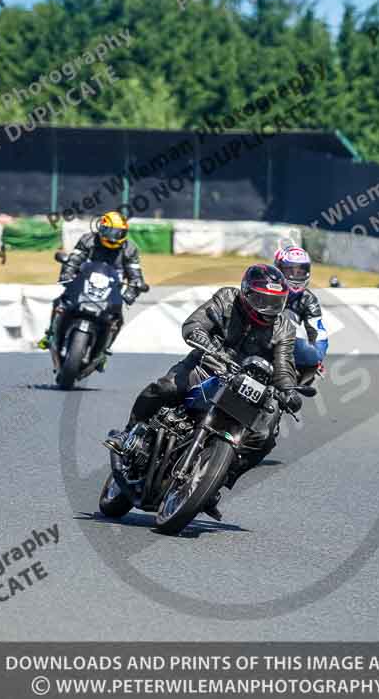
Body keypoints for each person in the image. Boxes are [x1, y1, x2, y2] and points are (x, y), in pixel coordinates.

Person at [108, 264, 302, 520]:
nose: (268, 308)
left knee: (265, 436)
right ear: (246, 293)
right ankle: (129, 433)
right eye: (262, 300)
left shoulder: (284, 327)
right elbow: (194, 324)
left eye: (275, 301)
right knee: (164, 388)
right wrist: (207, 345)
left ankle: (215, 481)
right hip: (208, 365)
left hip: (247, 385)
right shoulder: (227, 299)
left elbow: (284, 366)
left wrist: (288, 391)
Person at [38, 211, 148, 367]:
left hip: (111, 291)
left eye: (118, 233)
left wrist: (132, 290)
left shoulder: (129, 249)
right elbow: (74, 259)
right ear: (101, 228)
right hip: (83, 284)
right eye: (109, 231)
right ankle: (51, 334)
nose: (113, 237)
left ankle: (103, 352)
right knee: (59, 303)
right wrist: (67, 273)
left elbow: (135, 275)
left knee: (118, 319)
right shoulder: (88, 240)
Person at [273, 246, 328, 384]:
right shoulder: (267, 286)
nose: (295, 275)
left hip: (287, 344)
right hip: (257, 336)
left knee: (311, 373)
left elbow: (318, 331)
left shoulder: (308, 299)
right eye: (290, 270)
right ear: (278, 268)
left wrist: (317, 357)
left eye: (300, 271)